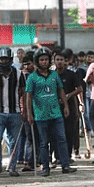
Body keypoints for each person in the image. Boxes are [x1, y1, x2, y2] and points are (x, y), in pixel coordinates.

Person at [26, 47, 77, 176]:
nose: (44, 62)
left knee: (61, 139)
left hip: (56, 113)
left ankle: (65, 165)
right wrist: (29, 113)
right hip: (40, 115)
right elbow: (28, 96)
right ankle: (45, 167)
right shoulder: (32, 78)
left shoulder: (54, 75)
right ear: (37, 61)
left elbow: (61, 90)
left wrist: (65, 105)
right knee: (44, 143)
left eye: (46, 60)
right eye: (41, 60)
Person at [0, 47, 26, 176]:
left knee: (14, 142)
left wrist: (25, 110)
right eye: (1, 59)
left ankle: (12, 166)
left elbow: (24, 94)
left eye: (6, 59)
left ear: (10, 59)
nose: (4, 61)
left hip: (15, 113)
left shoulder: (19, 74)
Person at [55, 49, 83, 161]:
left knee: (69, 132)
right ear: (54, 61)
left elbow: (79, 89)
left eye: (62, 60)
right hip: (55, 107)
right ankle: (57, 156)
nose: (60, 62)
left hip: (70, 107)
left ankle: (68, 156)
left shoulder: (71, 74)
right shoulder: (51, 75)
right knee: (56, 133)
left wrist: (68, 96)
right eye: (57, 60)